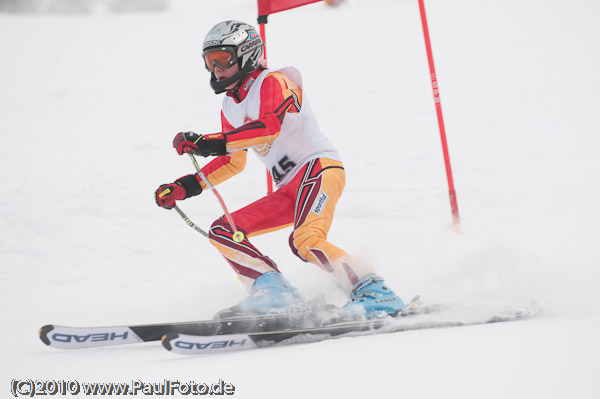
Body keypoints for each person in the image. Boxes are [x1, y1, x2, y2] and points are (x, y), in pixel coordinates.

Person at [155, 21, 406, 318]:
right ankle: (276, 294)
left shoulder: (273, 81)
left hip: (318, 169)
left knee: (306, 240)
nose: (216, 69)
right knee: (223, 231)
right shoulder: (229, 106)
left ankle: (377, 292)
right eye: (209, 62)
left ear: (246, 54)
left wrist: (209, 142)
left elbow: (268, 128)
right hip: (288, 188)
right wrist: (187, 185)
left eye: (222, 59)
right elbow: (232, 160)